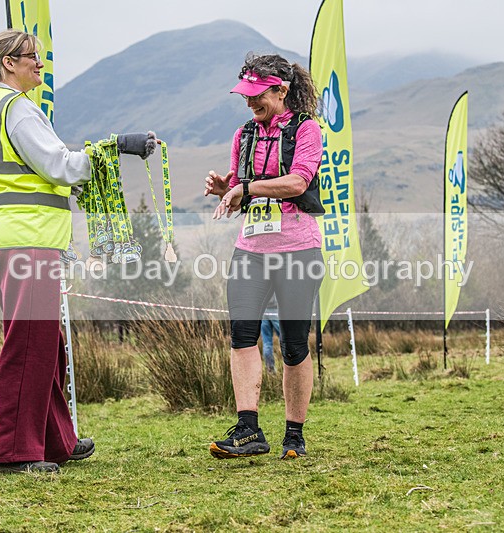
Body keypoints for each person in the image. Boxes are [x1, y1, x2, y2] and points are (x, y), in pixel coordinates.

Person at [0, 30, 155, 473]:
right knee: (30, 342)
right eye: (32, 57)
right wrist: (114, 148)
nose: (40, 64)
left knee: (45, 342)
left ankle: (55, 440)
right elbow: (60, 166)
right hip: (26, 237)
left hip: (5, 237)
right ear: (9, 63)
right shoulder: (17, 109)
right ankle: (10, 452)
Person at [204, 52, 324, 460]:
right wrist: (227, 190)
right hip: (251, 250)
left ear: (281, 90)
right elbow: (242, 192)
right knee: (241, 335)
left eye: (257, 95)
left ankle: (294, 435)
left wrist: (247, 188)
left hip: (298, 249)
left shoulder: (307, 129)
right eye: (246, 95)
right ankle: (248, 429)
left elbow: (297, 183)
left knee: (293, 344)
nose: (250, 102)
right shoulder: (243, 135)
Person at [260, 294, 281, 373]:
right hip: (276, 310)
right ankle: (291, 368)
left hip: (263, 311)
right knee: (287, 340)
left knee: (267, 343)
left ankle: (270, 370)